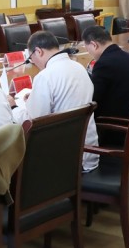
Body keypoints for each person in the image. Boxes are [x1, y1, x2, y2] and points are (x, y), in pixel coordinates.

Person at [10, 31, 99, 172]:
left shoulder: (45, 76)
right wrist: (34, 97)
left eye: (31, 57)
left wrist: (13, 107)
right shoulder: (79, 68)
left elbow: (33, 122)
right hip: (89, 152)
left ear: (38, 51)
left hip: (65, 160)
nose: (33, 62)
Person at [81, 25, 129, 122]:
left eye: (87, 49)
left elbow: (93, 99)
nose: (88, 52)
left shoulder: (103, 64)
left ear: (94, 45)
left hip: (116, 124)